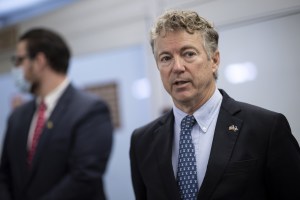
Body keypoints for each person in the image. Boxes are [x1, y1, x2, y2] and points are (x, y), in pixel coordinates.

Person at [129, 9, 300, 200]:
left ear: (214, 60)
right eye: (166, 58)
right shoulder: (142, 142)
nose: (177, 67)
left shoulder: (266, 129)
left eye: (188, 54)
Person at [0, 28, 113, 200]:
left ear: (39, 61)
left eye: (20, 60)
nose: (16, 68)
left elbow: (84, 177)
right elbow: (4, 175)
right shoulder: (17, 117)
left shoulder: (90, 110)